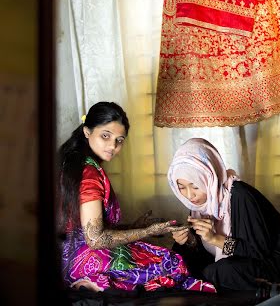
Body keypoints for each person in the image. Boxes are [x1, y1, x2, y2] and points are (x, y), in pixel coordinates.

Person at [57, 102, 216, 293]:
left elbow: (84, 226)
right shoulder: (89, 173)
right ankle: (95, 281)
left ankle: (95, 282)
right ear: (87, 132)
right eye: (105, 136)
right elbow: (95, 239)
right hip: (85, 258)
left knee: (153, 253)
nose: (112, 146)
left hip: (64, 256)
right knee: (172, 263)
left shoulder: (72, 161)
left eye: (119, 140)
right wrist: (147, 231)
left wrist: (135, 226)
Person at [167, 137, 280, 293]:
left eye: (195, 186)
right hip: (247, 262)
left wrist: (214, 238)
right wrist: (189, 240)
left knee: (220, 271)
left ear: (210, 178)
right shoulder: (200, 204)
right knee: (182, 261)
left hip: (278, 263)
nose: (190, 195)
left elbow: (257, 251)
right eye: (182, 187)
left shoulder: (240, 196)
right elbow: (203, 249)